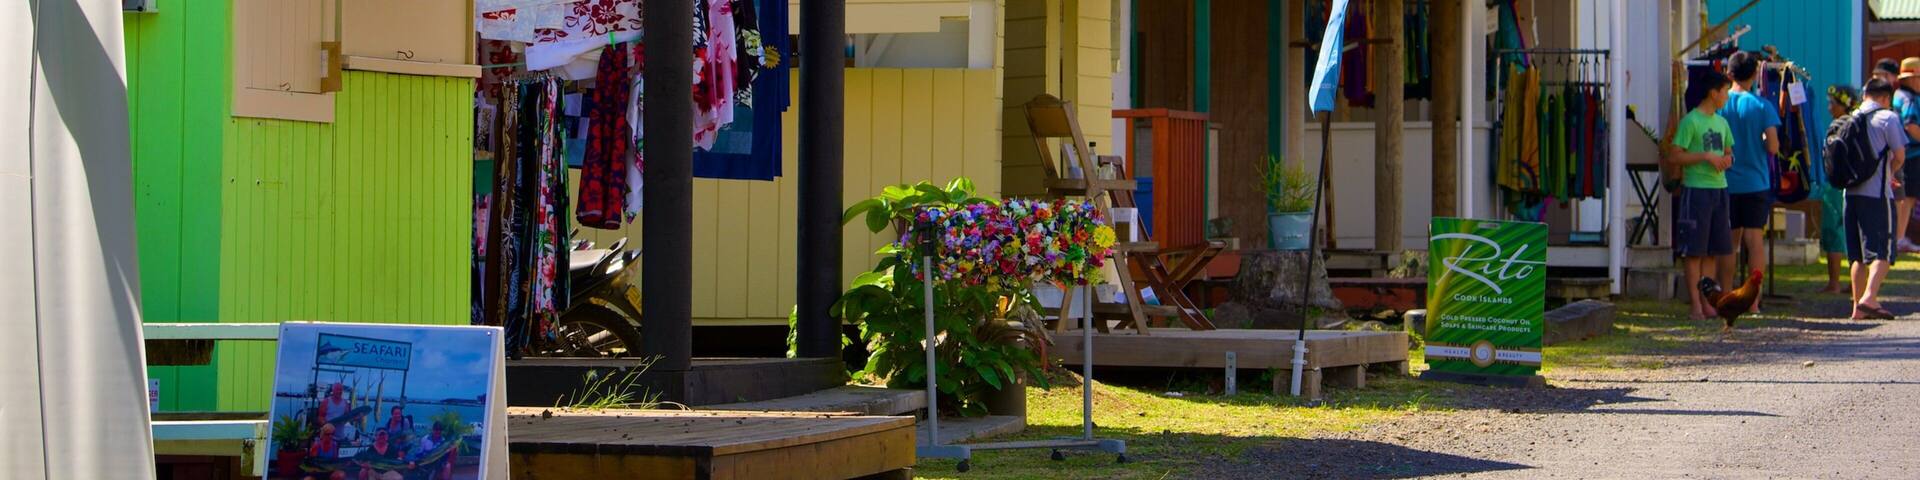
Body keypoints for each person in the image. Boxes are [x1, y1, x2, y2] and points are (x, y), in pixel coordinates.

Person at [1717, 51, 1782, 312]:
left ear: (1729, 74)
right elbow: (1774, 147)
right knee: (1754, 242)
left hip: (1725, 181)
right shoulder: (1761, 106)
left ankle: (1726, 294)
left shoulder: (1720, 104)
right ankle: (1753, 301)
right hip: (1756, 182)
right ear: (1755, 74)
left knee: (1729, 243)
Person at [1670, 71, 1737, 321]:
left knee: (1711, 251)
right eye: (1725, 92)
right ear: (1713, 92)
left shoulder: (1722, 123)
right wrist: (1705, 156)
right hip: (1696, 190)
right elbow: (1674, 155)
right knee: (1694, 251)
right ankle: (1695, 305)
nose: (1727, 97)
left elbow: (1729, 151)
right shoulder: (1691, 121)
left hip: (1719, 190)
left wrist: (1727, 160)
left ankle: (1709, 302)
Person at [1847, 79, 1904, 320]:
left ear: (1865, 95)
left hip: (1850, 194)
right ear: (1885, 98)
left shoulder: (1850, 118)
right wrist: (1889, 173)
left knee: (1857, 256)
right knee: (1884, 250)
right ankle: (1869, 298)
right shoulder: (1887, 118)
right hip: (1877, 194)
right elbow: (1899, 154)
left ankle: (1857, 309)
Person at [1822, 86, 1861, 294]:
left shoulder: (1838, 126)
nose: (1829, 108)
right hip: (1856, 184)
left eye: (1832, 103)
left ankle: (1834, 282)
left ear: (1843, 105)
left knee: (1834, 232)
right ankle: (1855, 283)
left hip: (1836, 184)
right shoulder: (1858, 125)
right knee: (1854, 233)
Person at [1893, 58, 1920, 253]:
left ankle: (1898, 236)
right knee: (1907, 197)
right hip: (1911, 154)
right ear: (1912, 79)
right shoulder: (1909, 99)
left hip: (1901, 153)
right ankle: (1899, 237)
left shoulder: (1897, 95)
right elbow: (1910, 125)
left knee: (1905, 196)